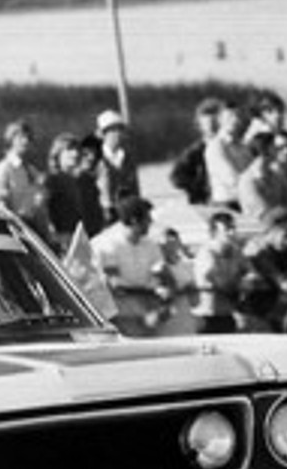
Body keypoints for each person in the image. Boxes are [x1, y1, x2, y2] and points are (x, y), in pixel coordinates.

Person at [91, 196, 162, 337]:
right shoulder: (106, 245)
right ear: (135, 220)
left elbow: (159, 276)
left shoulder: (151, 246)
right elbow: (114, 283)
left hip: (148, 311)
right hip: (121, 314)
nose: (151, 222)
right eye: (147, 218)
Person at [191, 210, 246, 334]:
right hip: (207, 318)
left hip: (227, 315)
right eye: (227, 229)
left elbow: (250, 275)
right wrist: (240, 282)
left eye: (233, 228)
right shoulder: (206, 253)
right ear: (214, 232)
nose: (232, 233)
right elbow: (222, 283)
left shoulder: (236, 251)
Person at [0, 119, 51, 237]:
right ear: (11, 140)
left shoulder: (31, 169)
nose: (25, 141)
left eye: (29, 138)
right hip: (16, 228)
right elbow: (0, 201)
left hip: (34, 228)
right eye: (21, 138)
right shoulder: (4, 168)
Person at [238, 132, 287, 222]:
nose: (279, 150)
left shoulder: (277, 175)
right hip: (262, 232)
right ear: (265, 150)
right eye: (275, 147)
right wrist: (286, 210)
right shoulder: (247, 181)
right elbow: (265, 215)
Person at [169, 96, 222, 205]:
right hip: (206, 204)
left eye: (215, 123)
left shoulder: (235, 147)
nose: (212, 127)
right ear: (199, 125)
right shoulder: (195, 152)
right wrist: (200, 186)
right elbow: (176, 177)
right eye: (208, 124)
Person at [93, 109, 140, 225]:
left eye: (120, 129)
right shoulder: (95, 160)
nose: (117, 134)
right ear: (102, 134)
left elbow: (135, 189)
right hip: (104, 218)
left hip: (127, 217)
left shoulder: (128, 159)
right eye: (112, 130)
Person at [205, 101, 252, 210]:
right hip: (226, 204)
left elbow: (253, 171)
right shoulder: (216, 147)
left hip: (246, 201)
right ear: (220, 120)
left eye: (238, 116)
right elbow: (231, 179)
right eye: (230, 117)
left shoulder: (243, 147)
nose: (234, 120)